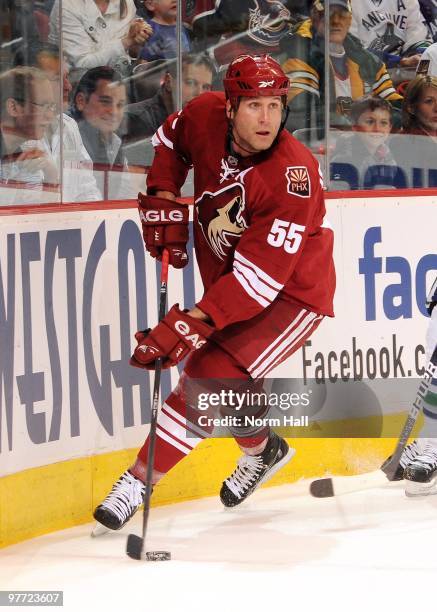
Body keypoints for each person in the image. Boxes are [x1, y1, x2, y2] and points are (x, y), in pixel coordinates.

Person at [93, 53, 335, 530]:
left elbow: (257, 285)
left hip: (290, 294)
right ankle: (264, 451)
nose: (267, 118)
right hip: (233, 277)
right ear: (229, 106)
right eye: (254, 106)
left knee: (208, 373)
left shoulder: (293, 178)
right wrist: (163, 195)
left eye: (275, 105)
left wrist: (190, 324)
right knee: (233, 384)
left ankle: (137, 483)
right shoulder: (204, 113)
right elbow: (168, 140)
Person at [279, 0, 403, 132]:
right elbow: (304, 113)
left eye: (342, 14)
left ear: (349, 21)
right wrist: (356, 128)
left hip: (367, 145)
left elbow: (397, 108)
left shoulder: (369, 62)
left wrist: (379, 123)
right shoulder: (299, 55)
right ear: (314, 17)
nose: (336, 21)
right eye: (328, 14)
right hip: (321, 147)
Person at [14, 42, 102, 202]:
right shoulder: (13, 135)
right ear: (27, 83)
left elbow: (87, 189)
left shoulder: (69, 126)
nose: (68, 87)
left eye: (66, 77)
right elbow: (26, 207)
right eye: (56, 79)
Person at [124, 53, 215, 147]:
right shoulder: (131, 120)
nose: (199, 93)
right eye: (190, 83)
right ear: (168, 82)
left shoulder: (203, 123)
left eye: (206, 87)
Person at [48, 0, 153, 78]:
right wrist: (126, 42)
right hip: (78, 89)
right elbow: (82, 66)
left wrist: (136, 42)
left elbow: (129, 53)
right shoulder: (67, 6)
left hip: (120, 85)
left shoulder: (126, 3)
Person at [0, 66, 59, 193]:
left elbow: (34, 209)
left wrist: (51, 176)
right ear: (14, 108)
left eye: (51, 107)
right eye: (43, 105)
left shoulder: (27, 151)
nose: (50, 116)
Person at [330, 95, 398, 189]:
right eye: (370, 122)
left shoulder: (387, 155)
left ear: (390, 127)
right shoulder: (343, 160)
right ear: (355, 127)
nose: (377, 129)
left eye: (383, 123)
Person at [349, 0, 430, 69]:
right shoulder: (348, 3)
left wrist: (420, 58)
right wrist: (399, 62)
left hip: (405, 69)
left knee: (428, 61)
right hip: (367, 73)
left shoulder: (408, 1)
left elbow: (420, 39)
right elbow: (353, 50)